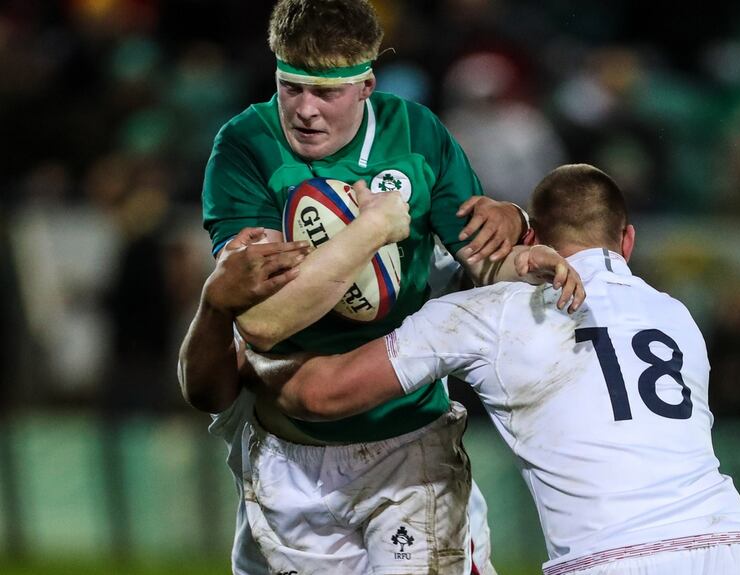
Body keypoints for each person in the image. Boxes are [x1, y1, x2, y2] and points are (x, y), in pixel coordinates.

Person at [179, 0, 578, 573]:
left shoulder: (416, 132)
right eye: (292, 89)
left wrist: (524, 261)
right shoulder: (243, 145)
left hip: (408, 442)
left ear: (365, 85)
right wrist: (375, 229)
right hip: (289, 455)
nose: (306, 111)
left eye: (327, 94)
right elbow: (268, 319)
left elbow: (482, 263)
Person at [249, 164, 740, 575]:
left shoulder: (495, 314)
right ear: (628, 241)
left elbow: (320, 396)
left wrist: (252, 348)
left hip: (608, 558)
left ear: (532, 240)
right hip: (736, 547)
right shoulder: (677, 316)